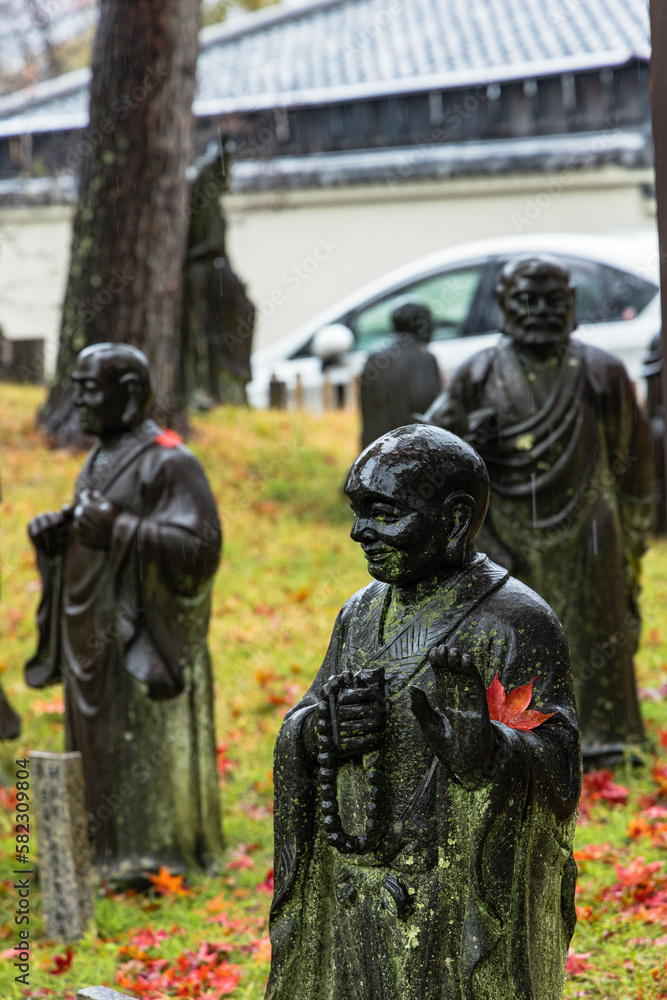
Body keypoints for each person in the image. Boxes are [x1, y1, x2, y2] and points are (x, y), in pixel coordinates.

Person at [266, 424, 581, 1000]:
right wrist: (317, 732)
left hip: (453, 898)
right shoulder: (358, 615)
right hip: (353, 888)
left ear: (456, 519)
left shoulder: (514, 621)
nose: (360, 532)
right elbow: (304, 719)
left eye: (383, 513)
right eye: (356, 511)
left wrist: (488, 748)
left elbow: (560, 772)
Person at [423, 256, 656, 766]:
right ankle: (511, 736)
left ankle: (603, 736)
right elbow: (432, 454)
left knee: (598, 630)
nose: (539, 312)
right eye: (526, 300)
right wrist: (468, 444)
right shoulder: (479, 372)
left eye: (553, 302)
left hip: (589, 526)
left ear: (571, 306)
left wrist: (636, 532)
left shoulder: (601, 371)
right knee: (515, 632)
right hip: (504, 529)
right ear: (505, 305)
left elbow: (633, 464)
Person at [26, 343, 223, 883]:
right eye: (78, 386)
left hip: (141, 633)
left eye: (91, 388)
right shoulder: (99, 458)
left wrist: (119, 529)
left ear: (130, 394)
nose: (79, 401)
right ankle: (102, 845)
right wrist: (56, 540)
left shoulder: (170, 461)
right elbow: (91, 530)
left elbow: (200, 549)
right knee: (97, 734)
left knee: (136, 733)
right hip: (90, 626)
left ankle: (150, 847)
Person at [359, 301, 441, 449]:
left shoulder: (374, 356)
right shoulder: (424, 357)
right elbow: (432, 409)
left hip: (375, 449)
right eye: (429, 320)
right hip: (410, 450)